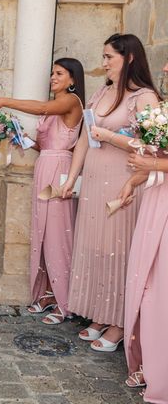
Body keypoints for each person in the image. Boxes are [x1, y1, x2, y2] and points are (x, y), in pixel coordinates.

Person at [60, 34, 160, 352]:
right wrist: (71, 178)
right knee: (96, 247)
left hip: (123, 179)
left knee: (119, 248)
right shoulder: (102, 91)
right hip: (93, 178)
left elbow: (152, 147)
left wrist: (110, 136)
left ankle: (119, 322)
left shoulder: (144, 97)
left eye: (109, 57)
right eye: (102, 57)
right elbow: (83, 139)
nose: (103, 63)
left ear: (129, 58)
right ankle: (100, 314)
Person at [0, 58, 85, 325]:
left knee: (58, 235)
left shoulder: (71, 102)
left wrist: (5, 100)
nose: (53, 77)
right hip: (44, 166)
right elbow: (43, 144)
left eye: (59, 73)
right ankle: (49, 293)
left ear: (73, 79)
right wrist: (17, 136)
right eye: (52, 72)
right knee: (43, 234)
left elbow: (39, 107)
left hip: (60, 169)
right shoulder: (54, 109)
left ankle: (66, 302)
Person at [117, 58, 168, 402]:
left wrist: (151, 164)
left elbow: (158, 160)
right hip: (155, 197)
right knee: (146, 280)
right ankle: (151, 364)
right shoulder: (163, 110)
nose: (164, 69)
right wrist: (135, 180)